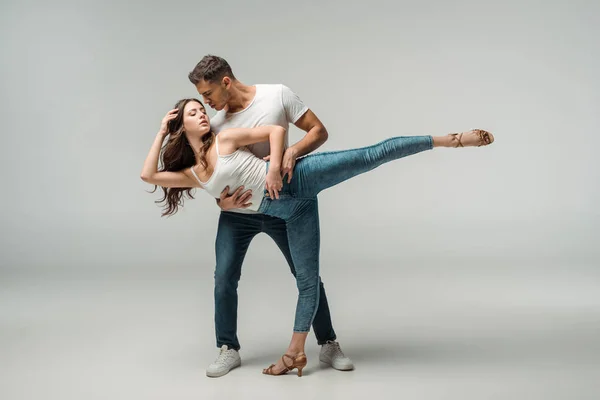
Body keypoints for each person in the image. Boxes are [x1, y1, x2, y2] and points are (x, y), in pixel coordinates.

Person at [140, 98, 495, 377]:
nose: (203, 114)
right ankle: (295, 352)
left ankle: (451, 140)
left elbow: (275, 134)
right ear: (179, 124)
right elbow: (148, 175)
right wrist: (161, 132)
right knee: (307, 281)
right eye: (192, 112)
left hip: (300, 178)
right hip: (293, 212)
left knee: (372, 155)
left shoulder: (226, 138)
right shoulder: (191, 174)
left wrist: (276, 169)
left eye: (203, 109)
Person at [192, 55, 352, 377]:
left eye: (207, 94)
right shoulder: (217, 125)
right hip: (239, 213)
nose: (205, 102)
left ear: (225, 82)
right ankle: (228, 348)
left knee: (306, 276)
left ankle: (328, 343)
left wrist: (293, 151)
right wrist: (221, 204)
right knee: (224, 276)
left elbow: (319, 132)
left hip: (284, 204)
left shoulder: (277, 95)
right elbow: (210, 175)